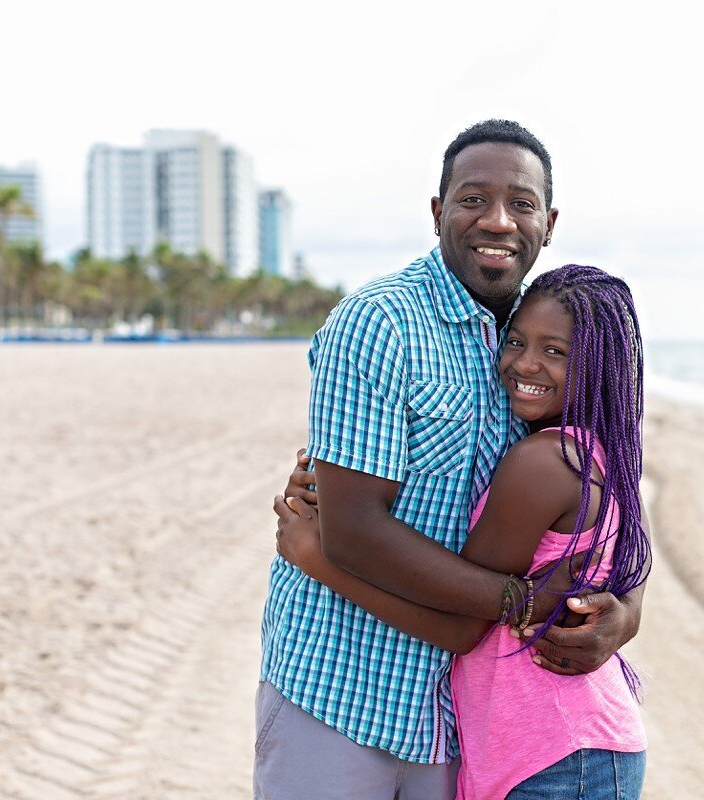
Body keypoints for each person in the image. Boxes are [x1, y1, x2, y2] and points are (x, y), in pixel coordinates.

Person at [254, 120, 646, 799]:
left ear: (548, 223)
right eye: (472, 199)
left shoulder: (541, 327)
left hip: (457, 721)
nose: (497, 219)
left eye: (521, 203)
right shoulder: (381, 321)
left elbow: (605, 504)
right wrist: (521, 603)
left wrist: (627, 610)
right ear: (438, 212)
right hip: (345, 686)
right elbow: (354, 532)